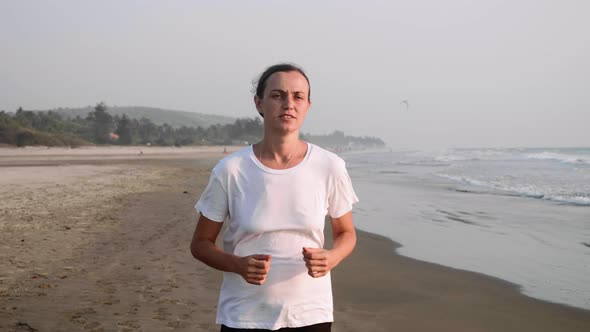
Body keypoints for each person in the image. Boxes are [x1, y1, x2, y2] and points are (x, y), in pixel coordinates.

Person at [190, 63, 359, 331]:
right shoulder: (232, 170)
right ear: (259, 103)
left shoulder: (330, 166)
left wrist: (333, 257)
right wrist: (237, 264)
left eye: (298, 96)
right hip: (244, 316)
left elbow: (346, 233)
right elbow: (200, 243)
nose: (288, 104)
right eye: (277, 95)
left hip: (311, 315)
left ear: (307, 106)